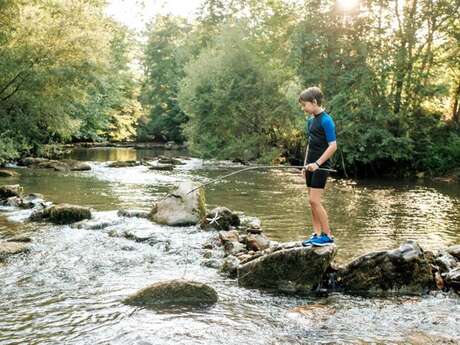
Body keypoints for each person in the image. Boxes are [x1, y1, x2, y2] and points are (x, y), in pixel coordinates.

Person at [299, 87, 337, 246]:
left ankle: (327, 235)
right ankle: (316, 233)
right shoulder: (310, 121)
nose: (303, 108)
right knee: (311, 201)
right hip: (310, 166)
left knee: (315, 200)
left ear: (314, 102)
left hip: (321, 166)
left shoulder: (326, 120)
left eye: (304, 105)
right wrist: (305, 165)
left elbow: (333, 146)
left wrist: (317, 164)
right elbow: (310, 145)